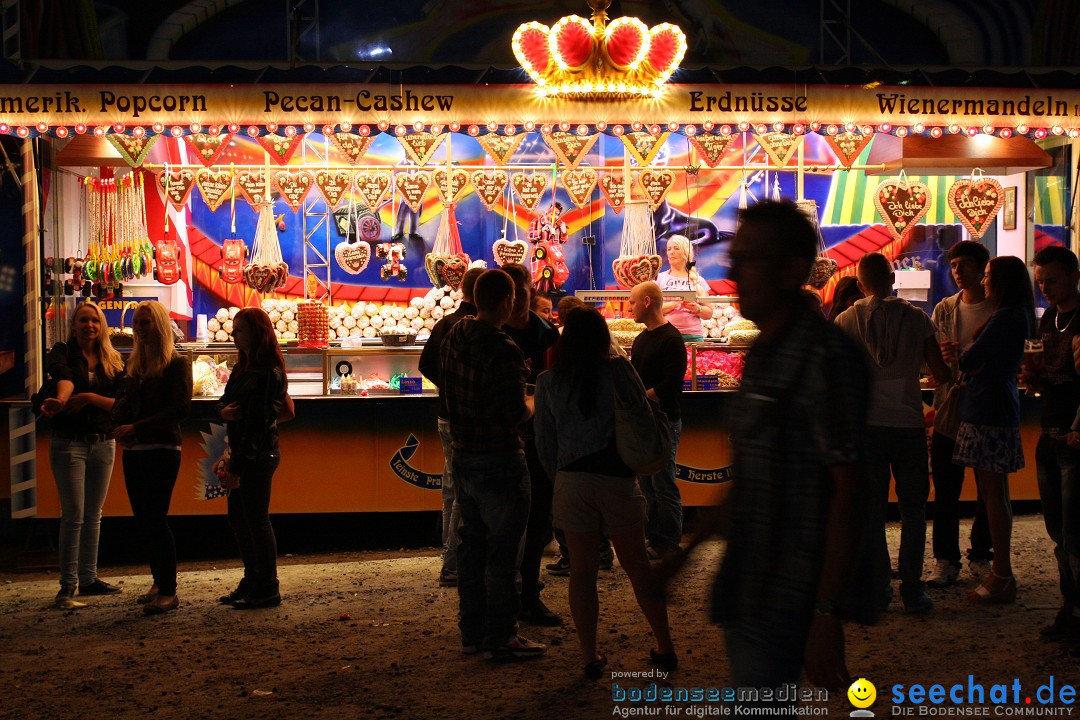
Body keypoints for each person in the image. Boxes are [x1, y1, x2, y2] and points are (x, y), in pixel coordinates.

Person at [664, 201, 869, 700]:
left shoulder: (825, 355)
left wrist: (825, 610)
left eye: (749, 259)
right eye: (735, 258)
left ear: (792, 269)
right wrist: (687, 553)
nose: (734, 271)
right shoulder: (765, 352)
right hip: (751, 579)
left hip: (792, 587)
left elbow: (850, 488)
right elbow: (752, 474)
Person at [534, 306, 676, 678]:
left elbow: (544, 444)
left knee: (582, 572)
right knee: (637, 566)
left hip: (572, 481)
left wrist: (560, 478)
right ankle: (665, 645)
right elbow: (643, 413)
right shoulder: (618, 369)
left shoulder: (549, 381)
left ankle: (588, 656)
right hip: (617, 479)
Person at [439, 268, 545, 661]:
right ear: (507, 302)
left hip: (464, 454)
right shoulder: (503, 348)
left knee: (471, 548)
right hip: (500, 458)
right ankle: (502, 634)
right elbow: (512, 412)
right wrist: (535, 403)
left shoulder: (454, 336)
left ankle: (472, 632)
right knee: (504, 554)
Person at [835, 252, 949, 616]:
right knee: (913, 510)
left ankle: (879, 588)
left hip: (866, 426)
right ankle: (913, 592)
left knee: (871, 510)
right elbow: (941, 374)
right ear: (892, 278)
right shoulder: (918, 319)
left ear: (861, 283)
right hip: (908, 425)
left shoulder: (843, 321)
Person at [952, 255, 1035, 604]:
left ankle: (1002, 573)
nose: (983, 281)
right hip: (997, 406)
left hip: (988, 409)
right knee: (996, 495)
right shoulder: (1015, 316)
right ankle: (1001, 571)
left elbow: (968, 361)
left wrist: (965, 350)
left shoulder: (1005, 317)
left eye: (987, 276)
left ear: (1000, 282)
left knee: (992, 496)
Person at [41, 301, 125, 609]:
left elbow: (120, 402)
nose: (89, 325)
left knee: (94, 515)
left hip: (103, 442)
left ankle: (88, 579)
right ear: (74, 324)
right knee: (73, 514)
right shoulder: (62, 352)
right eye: (83, 320)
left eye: (94, 320)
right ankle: (67, 586)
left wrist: (90, 397)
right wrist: (62, 401)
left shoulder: (113, 358)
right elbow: (64, 378)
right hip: (69, 442)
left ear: (101, 325)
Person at [113, 300, 192, 615]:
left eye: (145, 322)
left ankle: (169, 590)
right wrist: (122, 425)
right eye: (137, 323)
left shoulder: (176, 363)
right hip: (135, 450)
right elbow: (125, 401)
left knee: (156, 518)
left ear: (158, 325)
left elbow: (180, 409)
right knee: (144, 520)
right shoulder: (133, 364)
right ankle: (159, 581)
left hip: (163, 449)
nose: (140, 328)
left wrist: (136, 426)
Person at [927, 241, 995, 587]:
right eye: (954, 265)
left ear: (983, 268)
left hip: (986, 406)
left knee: (988, 488)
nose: (958, 271)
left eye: (965, 264)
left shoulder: (997, 308)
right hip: (950, 405)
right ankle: (946, 559)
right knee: (947, 486)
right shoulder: (945, 308)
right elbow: (935, 357)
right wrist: (942, 357)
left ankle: (981, 554)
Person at [216, 308, 293, 609]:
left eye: (240, 331)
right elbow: (224, 401)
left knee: (255, 519)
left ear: (256, 333)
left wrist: (237, 465)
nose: (234, 336)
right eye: (234, 330)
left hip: (257, 455)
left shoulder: (265, 373)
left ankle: (266, 587)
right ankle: (252, 579)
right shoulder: (243, 367)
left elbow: (257, 425)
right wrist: (221, 412)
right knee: (239, 518)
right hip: (245, 452)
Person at [500, 262, 562, 626]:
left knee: (538, 519)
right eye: (512, 293)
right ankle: (501, 599)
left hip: (538, 437)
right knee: (503, 523)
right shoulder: (491, 331)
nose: (518, 299)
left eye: (522, 291)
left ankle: (528, 594)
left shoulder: (546, 335)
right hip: (501, 438)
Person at [1025, 245, 1080, 643]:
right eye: (1041, 281)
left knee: (1076, 533)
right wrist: (1036, 380)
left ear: (1074, 277)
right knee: (1059, 531)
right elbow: (1048, 375)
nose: (1045, 287)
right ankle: (1068, 609)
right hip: (1049, 432)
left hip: (1074, 437)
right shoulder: (1048, 321)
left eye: (1052, 280)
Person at [418, 266, 483, 588]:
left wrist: (447, 388)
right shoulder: (477, 328)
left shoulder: (445, 324)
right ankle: (453, 562)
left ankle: (448, 551)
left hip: (445, 414)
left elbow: (424, 364)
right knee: (462, 491)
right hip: (467, 418)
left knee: (449, 489)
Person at [629, 281, 687, 560]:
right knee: (648, 485)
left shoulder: (672, 339)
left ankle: (670, 542)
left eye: (632, 302)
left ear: (648, 301)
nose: (630, 308)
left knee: (664, 483)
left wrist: (639, 398)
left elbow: (671, 385)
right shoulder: (641, 339)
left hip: (664, 421)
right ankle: (654, 537)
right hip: (643, 422)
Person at [656, 235, 713, 342]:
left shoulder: (699, 280)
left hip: (693, 336)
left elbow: (708, 313)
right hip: (666, 335)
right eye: (669, 249)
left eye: (676, 248)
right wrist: (673, 304)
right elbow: (652, 311)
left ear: (686, 252)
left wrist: (697, 308)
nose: (671, 252)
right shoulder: (659, 278)